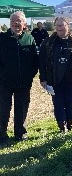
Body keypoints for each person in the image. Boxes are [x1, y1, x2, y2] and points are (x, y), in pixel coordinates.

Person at [0, 11, 38, 145]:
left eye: (18, 21)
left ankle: (20, 133)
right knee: (3, 109)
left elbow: (35, 61)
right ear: (9, 23)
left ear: (24, 24)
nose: (16, 23)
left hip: (24, 82)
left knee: (21, 108)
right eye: (13, 21)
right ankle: (2, 135)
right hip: (5, 82)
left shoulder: (29, 39)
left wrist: (30, 76)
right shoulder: (2, 38)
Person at [39, 17, 72, 133]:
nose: (59, 28)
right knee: (58, 103)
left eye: (62, 25)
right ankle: (62, 127)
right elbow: (42, 61)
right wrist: (43, 78)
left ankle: (70, 125)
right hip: (54, 79)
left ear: (68, 26)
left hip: (71, 80)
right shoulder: (48, 43)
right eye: (57, 26)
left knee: (70, 103)